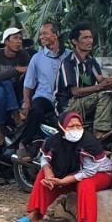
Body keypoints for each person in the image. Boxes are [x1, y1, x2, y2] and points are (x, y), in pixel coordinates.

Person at [15, 111, 112, 222]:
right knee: (42, 175)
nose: (75, 130)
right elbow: (45, 158)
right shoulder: (53, 141)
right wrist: (48, 172)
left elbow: (90, 171)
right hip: (70, 173)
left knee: (86, 184)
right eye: (71, 126)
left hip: (98, 173)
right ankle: (34, 215)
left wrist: (63, 181)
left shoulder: (89, 142)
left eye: (78, 126)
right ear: (62, 127)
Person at [56, 22, 112, 139]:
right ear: (74, 41)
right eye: (85, 38)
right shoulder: (69, 62)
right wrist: (101, 86)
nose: (90, 41)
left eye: (90, 37)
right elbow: (75, 92)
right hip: (68, 104)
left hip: (84, 100)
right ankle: (100, 131)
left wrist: (111, 81)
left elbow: (100, 79)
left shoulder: (91, 60)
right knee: (105, 94)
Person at [17, 21, 66, 156]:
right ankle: (24, 142)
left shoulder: (68, 55)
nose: (41, 37)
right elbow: (28, 85)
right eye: (40, 35)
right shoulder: (37, 58)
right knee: (36, 110)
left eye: (45, 33)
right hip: (44, 97)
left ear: (56, 35)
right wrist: (26, 103)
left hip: (63, 99)